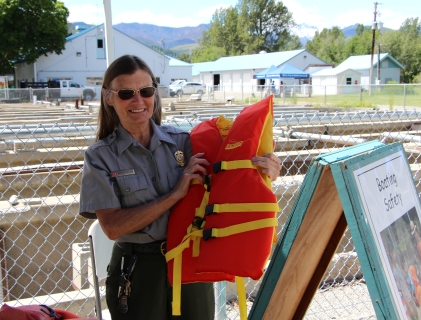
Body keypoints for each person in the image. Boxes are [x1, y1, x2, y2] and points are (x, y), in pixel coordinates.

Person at [79, 54, 282, 320]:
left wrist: (264, 169)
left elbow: (229, 180)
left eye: (146, 91)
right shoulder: (99, 157)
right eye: (126, 93)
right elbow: (113, 227)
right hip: (138, 271)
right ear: (109, 97)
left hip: (190, 261)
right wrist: (175, 195)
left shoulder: (184, 143)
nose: (138, 101)